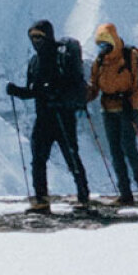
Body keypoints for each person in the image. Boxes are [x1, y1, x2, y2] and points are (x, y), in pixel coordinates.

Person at [6, 19, 92, 211]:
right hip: (49, 116)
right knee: (40, 158)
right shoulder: (36, 62)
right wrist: (17, 91)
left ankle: (80, 195)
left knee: (68, 156)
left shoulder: (53, 59)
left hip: (61, 114)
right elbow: (33, 91)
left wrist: (47, 91)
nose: (35, 41)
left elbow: (70, 83)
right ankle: (44, 198)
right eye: (33, 37)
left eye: (39, 36)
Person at [87, 22, 138, 204]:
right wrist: (84, 96)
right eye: (100, 45)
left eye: (105, 44)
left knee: (128, 147)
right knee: (115, 151)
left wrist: (132, 104)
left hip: (127, 108)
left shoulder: (130, 56)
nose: (102, 48)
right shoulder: (100, 62)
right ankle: (126, 193)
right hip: (109, 109)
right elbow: (94, 86)